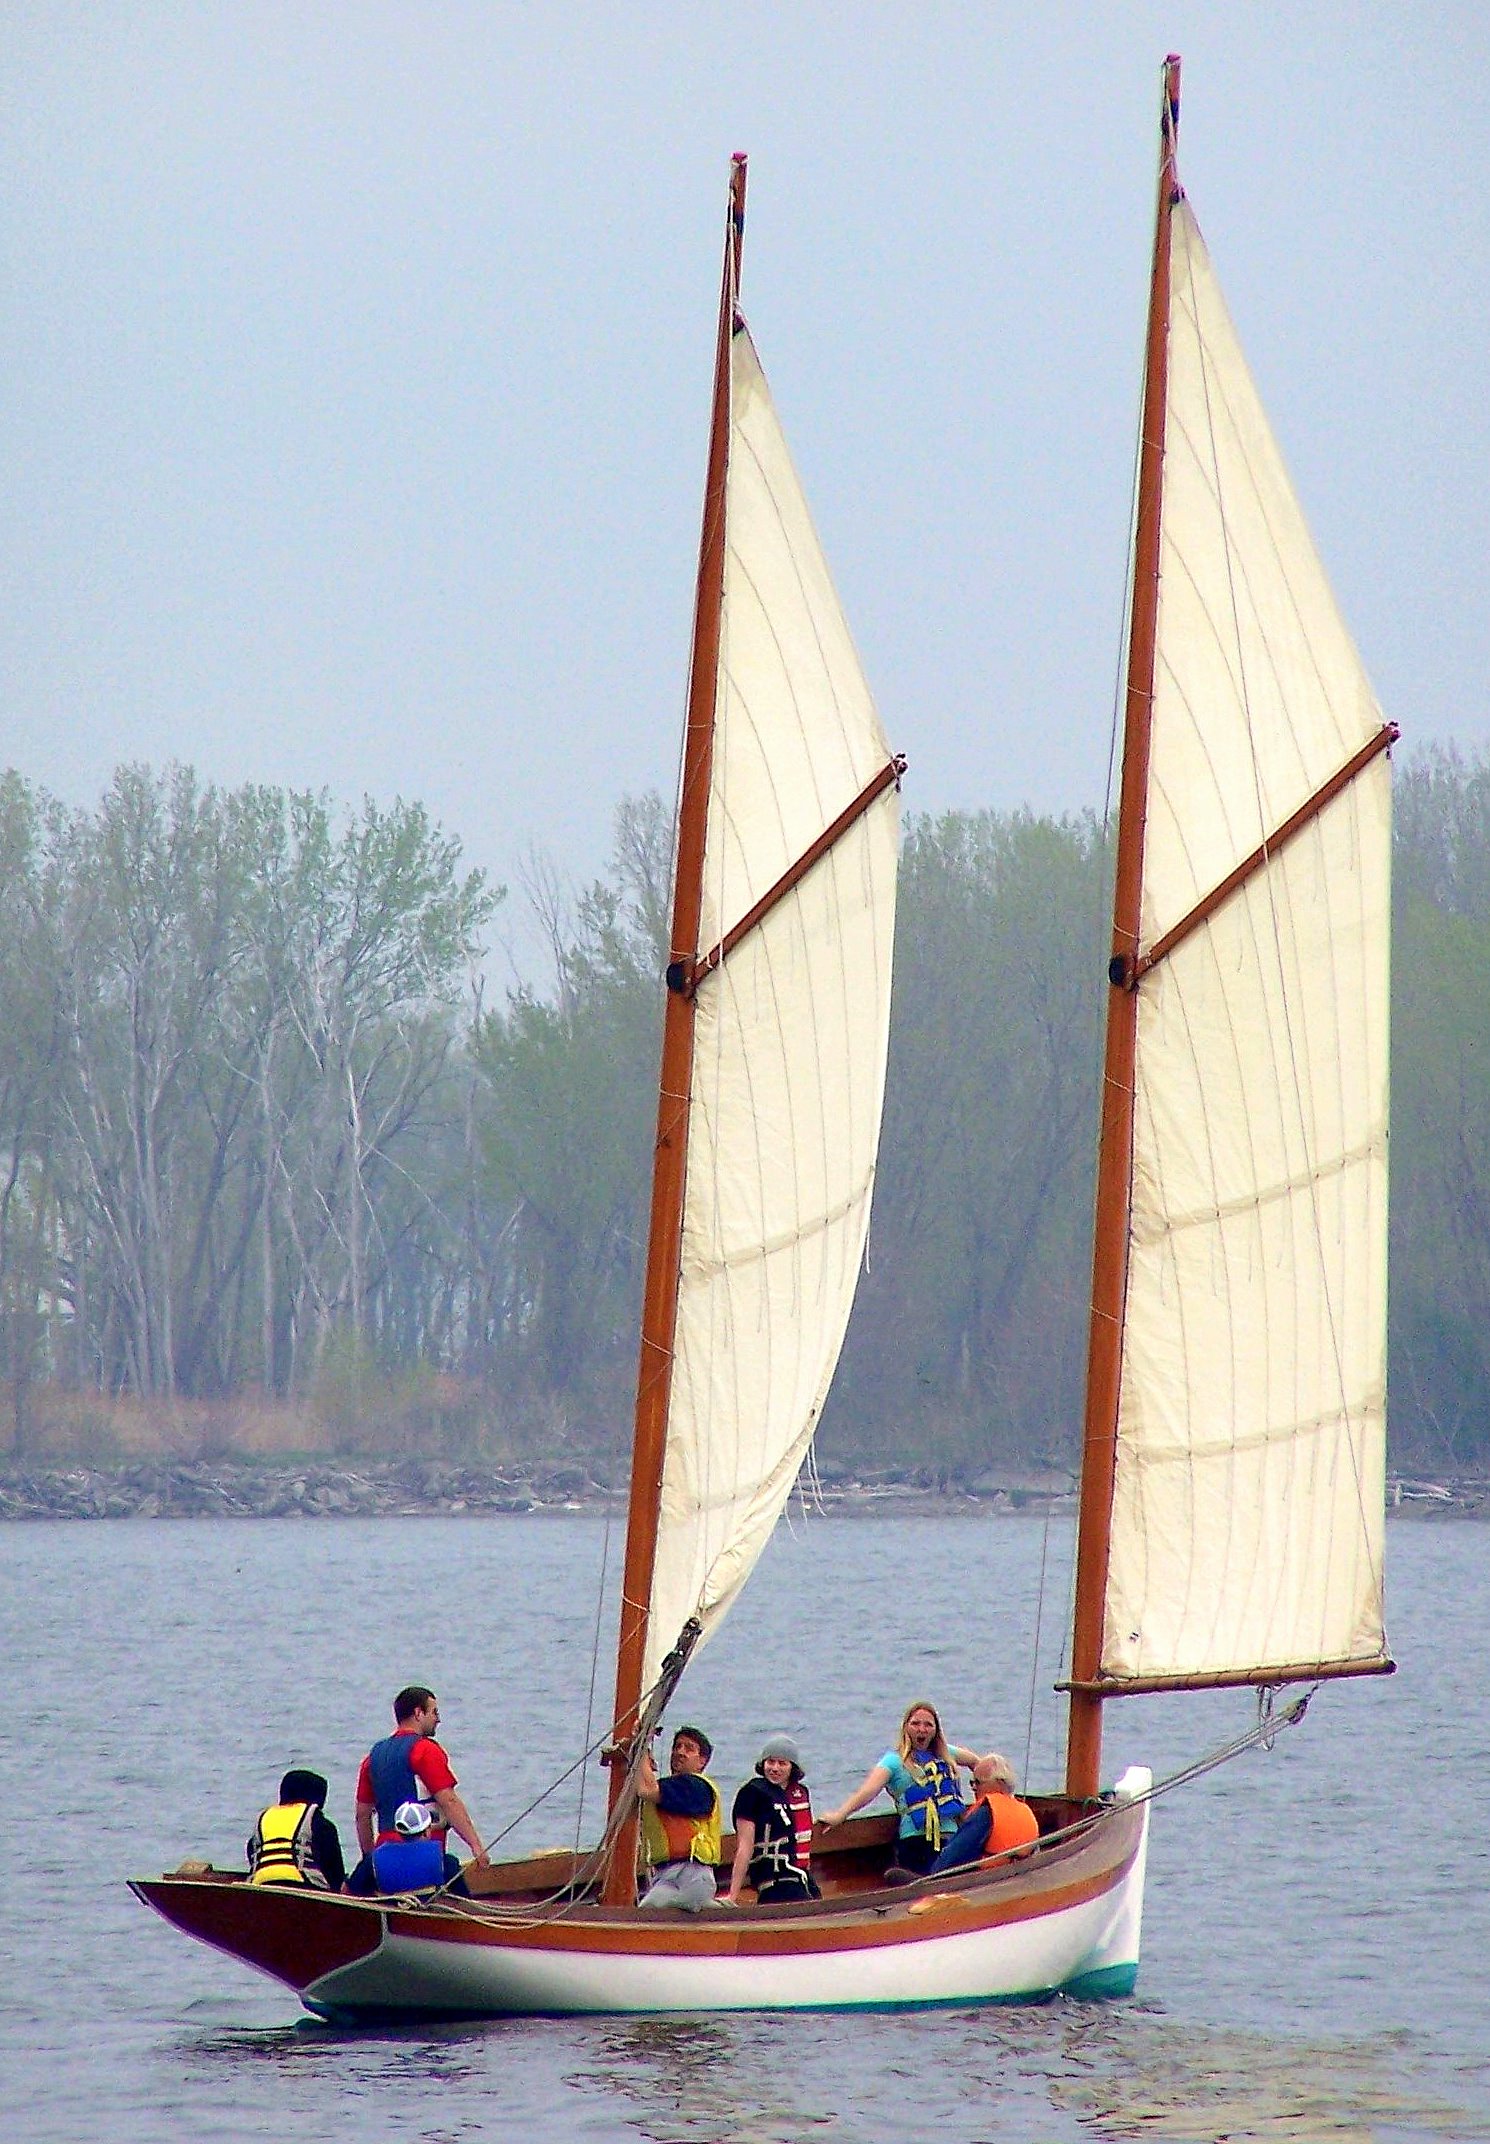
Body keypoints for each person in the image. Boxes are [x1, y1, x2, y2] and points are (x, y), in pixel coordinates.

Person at [817, 1700, 980, 1877]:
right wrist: (840, 1814)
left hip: (951, 1837)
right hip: (916, 1839)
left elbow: (978, 1763)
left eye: (928, 1725)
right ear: (906, 1727)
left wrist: (982, 1794)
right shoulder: (894, 1761)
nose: (922, 1729)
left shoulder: (947, 1754)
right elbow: (868, 1791)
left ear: (935, 1730)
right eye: (915, 1723)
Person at [354, 1685, 490, 1877]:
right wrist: (476, 1846)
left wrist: (370, 1862)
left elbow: (362, 1815)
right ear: (418, 1713)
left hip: (386, 1860)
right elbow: (448, 1801)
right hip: (425, 1858)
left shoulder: (373, 1757)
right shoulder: (425, 1750)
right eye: (434, 1712)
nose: (438, 1719)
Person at [721, 1733, 820, 1906]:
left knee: (818, 1905)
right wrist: (732, 1895)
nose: (775, 1768)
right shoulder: (752, 1793)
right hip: (774, 1879)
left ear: (792, 1768)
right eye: (770, 1762)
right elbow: (745, 1847)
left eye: (782, 1763)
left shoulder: (799, 1793)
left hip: (799, 1875)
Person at [636, 1723, 721, 1910]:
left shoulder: (698, 1787)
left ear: (702, 1762)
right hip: (665, 1875)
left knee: (679, 1909)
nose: (680, 1752)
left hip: (692, 1873)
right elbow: (648, 1788)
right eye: (677, 1747)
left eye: (689, 1749)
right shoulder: (670, 1789)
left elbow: (646, 1789)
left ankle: (718, 1907)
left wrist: (640, 1748)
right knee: (647, 1912)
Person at [928, 1752, 1040, 1874]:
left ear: (999, 1783)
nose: (974, 1788)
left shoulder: (986, 1813)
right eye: (972, 1782)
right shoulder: (1025, 1810)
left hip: (985, 1882)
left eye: (978, 1782)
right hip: (1016, 1878)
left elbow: (947, 1862)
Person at [247, 1767, 347, 1890]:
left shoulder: (263, 1820)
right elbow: (335, 1871)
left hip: (261, 1885)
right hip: (306, 1886)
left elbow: (252, 1851)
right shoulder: (319, 1823)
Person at [346, 1800, 469, 1897]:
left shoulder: (372, 1861)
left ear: (398, 1831)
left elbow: (351, 1892)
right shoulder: (446, 1862)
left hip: (389, 1918)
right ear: (427, 1832)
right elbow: (463, 1899)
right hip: (431, 1921)